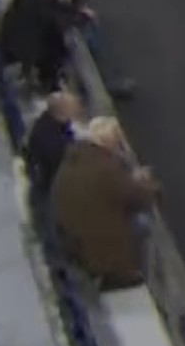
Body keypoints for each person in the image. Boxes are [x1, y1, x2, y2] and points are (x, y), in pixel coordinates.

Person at [51, 117, 158, 290]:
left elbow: (107, 189)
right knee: (143, 222)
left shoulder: (72, 165)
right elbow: (140, 197)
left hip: (77, 243)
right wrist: (150, 186)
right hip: (101, 250)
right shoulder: (105, 168)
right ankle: (139, 275)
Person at [24, 91, 81, 206]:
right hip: (49, 194)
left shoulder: (52, 121)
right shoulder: (51, 139)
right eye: (73, 108)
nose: (76, 111)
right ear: (63, 111)